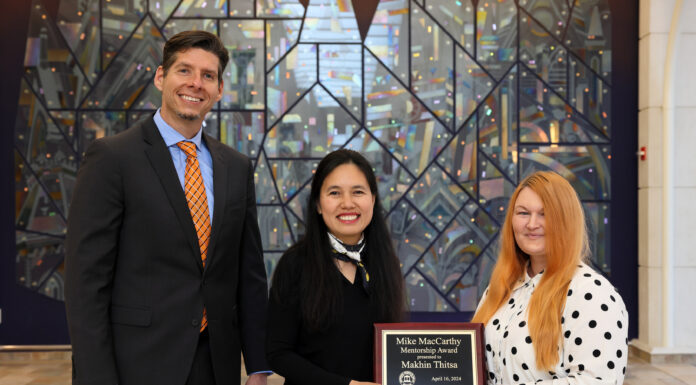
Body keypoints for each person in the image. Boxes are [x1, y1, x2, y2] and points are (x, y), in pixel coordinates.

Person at [64, 31, 269, 385]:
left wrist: (258, 365)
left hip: (216, 365)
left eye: (208, 76)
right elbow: (86, 283)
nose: (196, 83)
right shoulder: (112, 158)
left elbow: (248, 274)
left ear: (219, 89)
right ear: (161, 77)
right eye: (184, 71)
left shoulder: (235, 166)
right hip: (137, 364)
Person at [472, 171, 628, 384]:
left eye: (545, 214)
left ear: (566, 221)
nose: (532, 224)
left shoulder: (591, 292)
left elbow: (598, 381)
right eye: (523, 213)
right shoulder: (501, 286)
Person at [266, 149, 406, 385]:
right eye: (334, 193)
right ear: (318, 205)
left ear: (372, 200)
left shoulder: (384, 262)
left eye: (358, 192)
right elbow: (278, 354)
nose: (347, 203)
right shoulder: (295, 264)